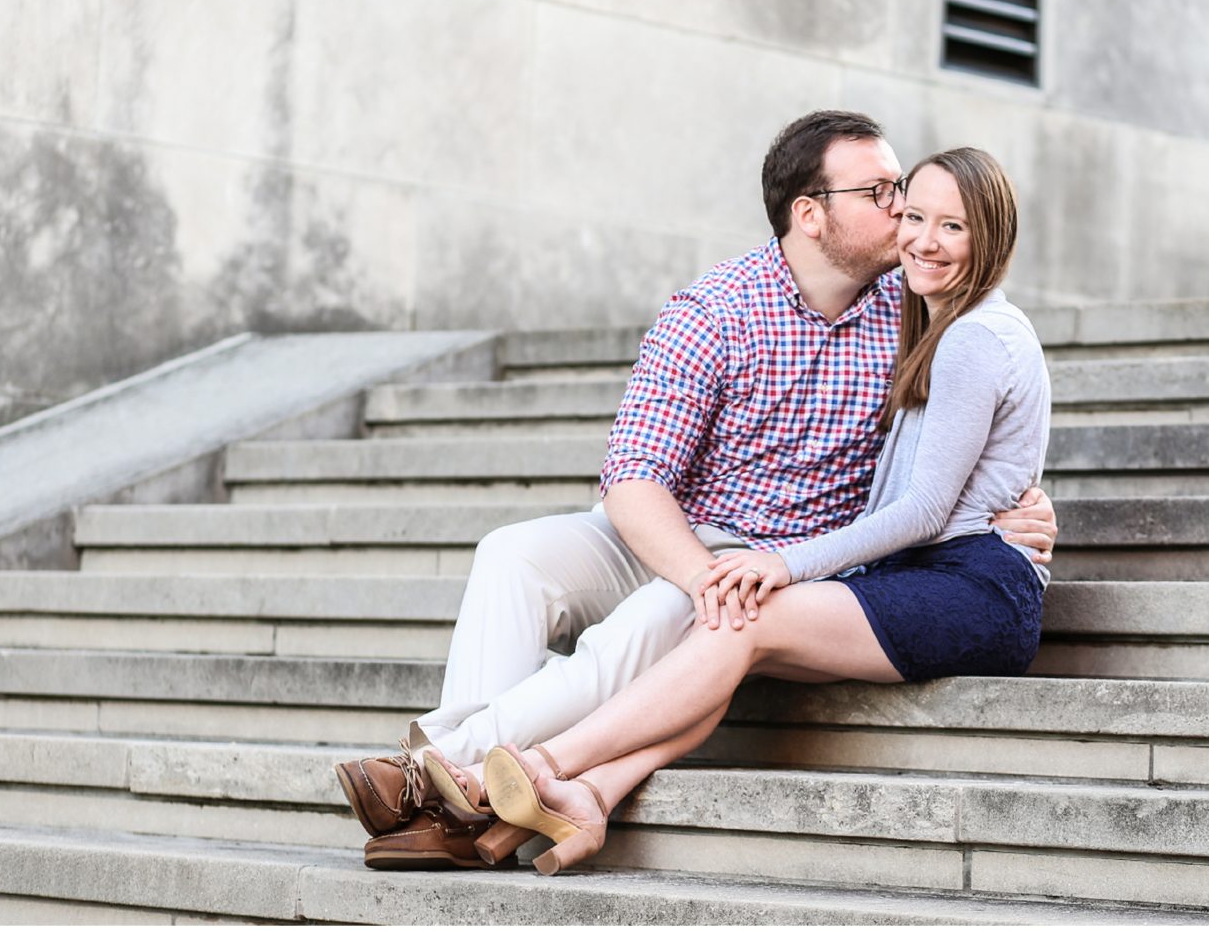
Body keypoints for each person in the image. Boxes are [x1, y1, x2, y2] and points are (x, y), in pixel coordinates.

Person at [336, 114, 1059, 869]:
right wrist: (697, 574)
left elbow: (978, 424)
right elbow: (635, 478)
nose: (903, 215)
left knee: (682, 610)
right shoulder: (718, 309)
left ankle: (440, 777)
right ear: (810, 215)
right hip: (672, 535)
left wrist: (1020, 505)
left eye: (905, 192)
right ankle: (457, 769)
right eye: (884, 194)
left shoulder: (909, 309)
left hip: (773, 554)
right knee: (512, 553)